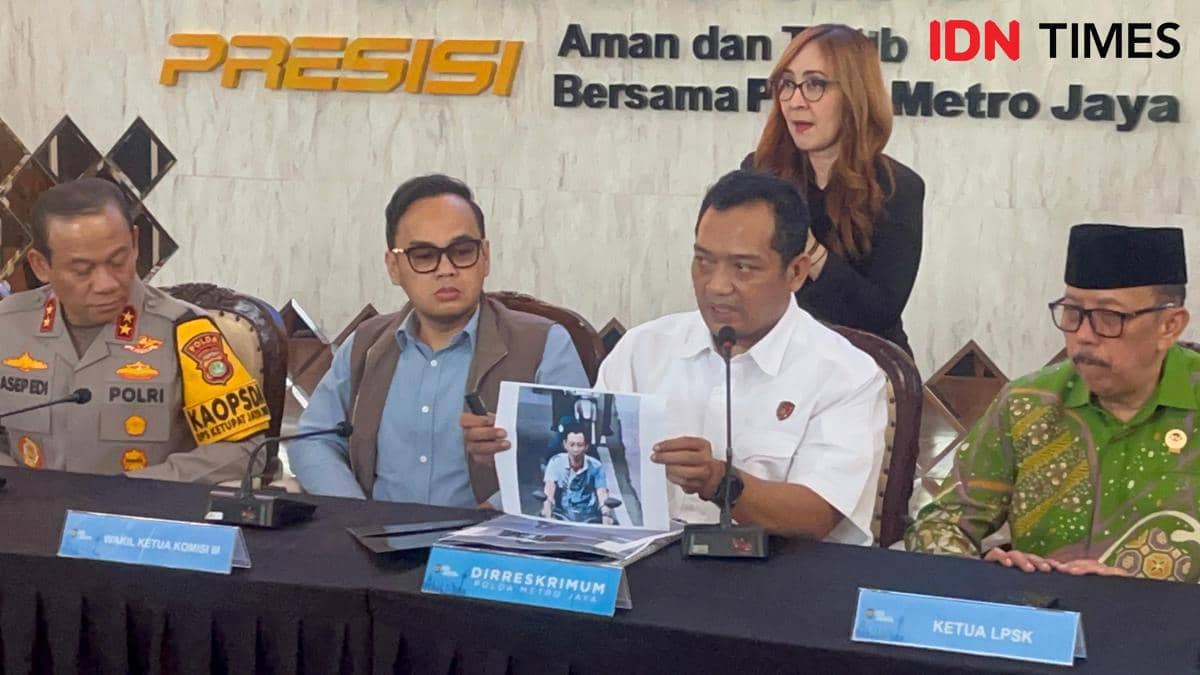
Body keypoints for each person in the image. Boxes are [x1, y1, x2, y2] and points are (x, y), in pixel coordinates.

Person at [594, 169, 888, 545]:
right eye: (704, 262)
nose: (717, 286)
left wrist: (720, 482)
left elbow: (817, 514)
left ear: (796, 272)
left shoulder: (846, 374)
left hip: (785, 573)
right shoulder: (642, 349)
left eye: (743, 268)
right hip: (650, 563)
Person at [906, 224, 1199, 582]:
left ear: (1170, 326)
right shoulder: (1027, 404)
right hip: (1042, 612)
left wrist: (1143, 592)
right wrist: (986, 574)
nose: (1083, 336)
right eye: (1072, 312)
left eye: (1110, 318)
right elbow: (940, 523)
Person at [288, 174, 589, 507]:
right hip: (374, 534)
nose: (446, 269)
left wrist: (494, 513)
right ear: (393, 266)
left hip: (493, 536)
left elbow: (577, 457)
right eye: (423, 255)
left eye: (462, 251)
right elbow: (312, 441)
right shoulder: (366, 345)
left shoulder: (544, 345)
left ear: (485, 257)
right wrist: (357, 513)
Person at [0, 177, 270, 481]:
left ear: (135, 243)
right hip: (25, 504)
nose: (106, 284)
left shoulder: (186, 331)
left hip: (143, 507)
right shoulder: (7, 324)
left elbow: (243, 449)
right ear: (40, 265)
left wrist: (140, 488)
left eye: (118, 261)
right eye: (82, 270)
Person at [743, 24, 924, 355]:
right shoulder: (760, 173)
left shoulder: (898, 188)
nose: (795, 101)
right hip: (775, 355)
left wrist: (810, 250)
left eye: (815, 84)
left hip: (865, 360)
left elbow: (879, 313)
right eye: (787, 84)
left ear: (855, 95)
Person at [541, 422, 612, 523]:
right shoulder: (555, 462)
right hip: (560, 516)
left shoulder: (596, 466)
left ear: (586, 446)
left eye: (580, 445)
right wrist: (547, 510)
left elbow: (602, 492)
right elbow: (549, 489)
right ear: (565, 444)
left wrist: (605, 513)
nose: (575, 449)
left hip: (589, 519)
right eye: (572, 445)